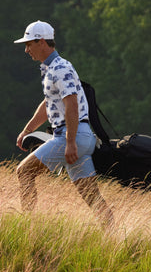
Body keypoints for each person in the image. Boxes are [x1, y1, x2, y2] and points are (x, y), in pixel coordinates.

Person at [14, 20, 114, 228]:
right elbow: (48, 104)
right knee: (92, 197)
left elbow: (72, 105)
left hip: (72, 136)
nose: (26, 50)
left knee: (24, 172)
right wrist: (28, 129)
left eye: (29, 44)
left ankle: (25, 229)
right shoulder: (52, 69)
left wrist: (69, 142)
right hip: (79, 136)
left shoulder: (60, 68)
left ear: (42, 42)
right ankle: (114, 235)